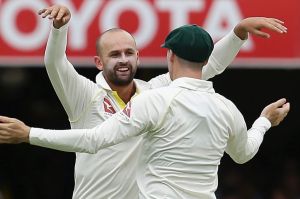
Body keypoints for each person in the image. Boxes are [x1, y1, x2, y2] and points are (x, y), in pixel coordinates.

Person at [2, 4, 288, 199]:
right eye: (115, 55)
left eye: (129, 52)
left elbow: (205, 66)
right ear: (98, 62)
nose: (123, 59)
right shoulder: (84, 96)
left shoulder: (154, 93)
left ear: (139, 57)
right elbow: (55, 63)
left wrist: (237, 34)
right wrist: (59, 29)